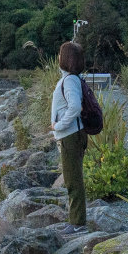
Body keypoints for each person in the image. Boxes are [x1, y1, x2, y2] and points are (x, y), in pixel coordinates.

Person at [51, 40, 88, 226]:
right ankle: (76, 221)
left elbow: (75, 107)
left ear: (66, 58)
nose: (58, 57)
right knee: (72, 179)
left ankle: (77, 224)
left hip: (71, 136)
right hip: (71, 135)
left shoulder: (70, 80)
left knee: (73, 181)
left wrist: (59, 125)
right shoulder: (71, 79)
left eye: (60, 54)